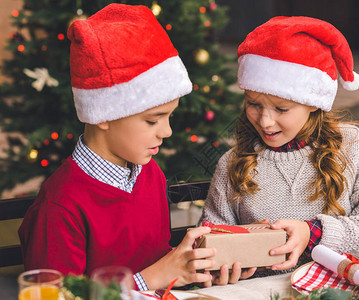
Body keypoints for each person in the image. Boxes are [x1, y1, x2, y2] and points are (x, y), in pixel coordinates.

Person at [19, 3, 217, 291]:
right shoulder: (60, 206)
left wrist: (191, 269)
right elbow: (56, 296)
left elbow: (160, 265)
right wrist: (150, 279)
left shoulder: (152, 176)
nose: (168, 131)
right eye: (152, 120)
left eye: (169, 116)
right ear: (104, 116)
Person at [199, 16, 359, 279]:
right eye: (253, 104)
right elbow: (210, 241)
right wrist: (222, 264)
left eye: (281, 108)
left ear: (313, 102)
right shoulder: (232, 162)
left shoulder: (355, 146)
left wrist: (313, 233)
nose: (264, 121)